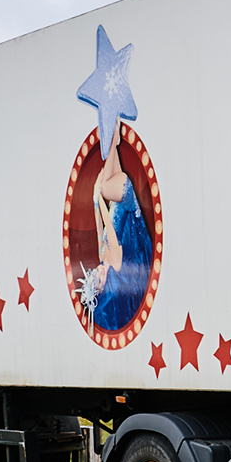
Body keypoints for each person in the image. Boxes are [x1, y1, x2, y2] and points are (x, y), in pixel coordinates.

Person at [82, 130, 151, 332]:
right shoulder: (115, 263)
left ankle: (114, 138)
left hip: (117, 205)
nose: (98, 270)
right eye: (99, 278)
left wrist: (96, 204)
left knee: (106, 184)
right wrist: (98, 199)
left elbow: (99, 228)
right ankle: (113, 137)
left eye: (94, 273)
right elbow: (110, 229)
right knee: (104, 187)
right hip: (128, 204)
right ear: (104, 287)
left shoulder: (103, 258)